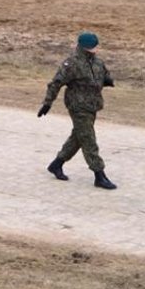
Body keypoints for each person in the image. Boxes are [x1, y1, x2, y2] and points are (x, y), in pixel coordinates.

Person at [38, 32, 117, 190]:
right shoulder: (71, 63)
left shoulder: (97, 62)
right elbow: (56, 83)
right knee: (88, 139)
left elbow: (105, 76)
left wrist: (107, 81)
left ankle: (56, 164)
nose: (97, 48)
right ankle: (99, 175)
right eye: (94, 46)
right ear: (85, 47)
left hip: (92, 105)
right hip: (78, 106)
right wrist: (48, 103)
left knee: (79, 136)